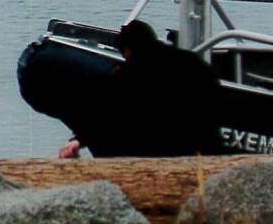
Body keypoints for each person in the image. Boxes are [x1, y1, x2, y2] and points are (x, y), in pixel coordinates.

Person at [58, 20, 224, 158]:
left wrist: (78, 140)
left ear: (128, 50)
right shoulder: (191, 61)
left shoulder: (128, 74)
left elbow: (106, 113)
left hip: (163, 150)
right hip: (205, 146)